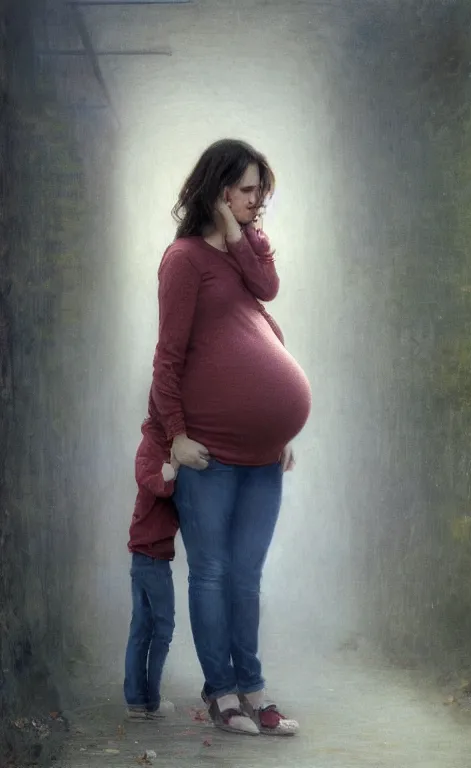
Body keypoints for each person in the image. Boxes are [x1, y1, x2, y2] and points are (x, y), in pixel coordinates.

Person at [150, 139, 312, 736]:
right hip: (208, 454)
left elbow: (266, 293)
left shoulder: (245, 254)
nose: (256, 200)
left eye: (260, 192)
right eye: (247, 190)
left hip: (264, 455)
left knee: (246, 576)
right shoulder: (184, 260)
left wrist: (277, 425)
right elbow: (167, 358)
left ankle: (254, 689)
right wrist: (176, 437)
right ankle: (221, 693)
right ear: (219, 189)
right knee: (213, 573)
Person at [123, 403, 180, 720]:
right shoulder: (152, 444)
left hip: (146, 553)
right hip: (151, 556)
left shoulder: (159, 441)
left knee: (142, 627)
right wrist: (173, 468)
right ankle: (151, 700)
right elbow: (152, 481)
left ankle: (137, 702)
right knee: (162, 628)